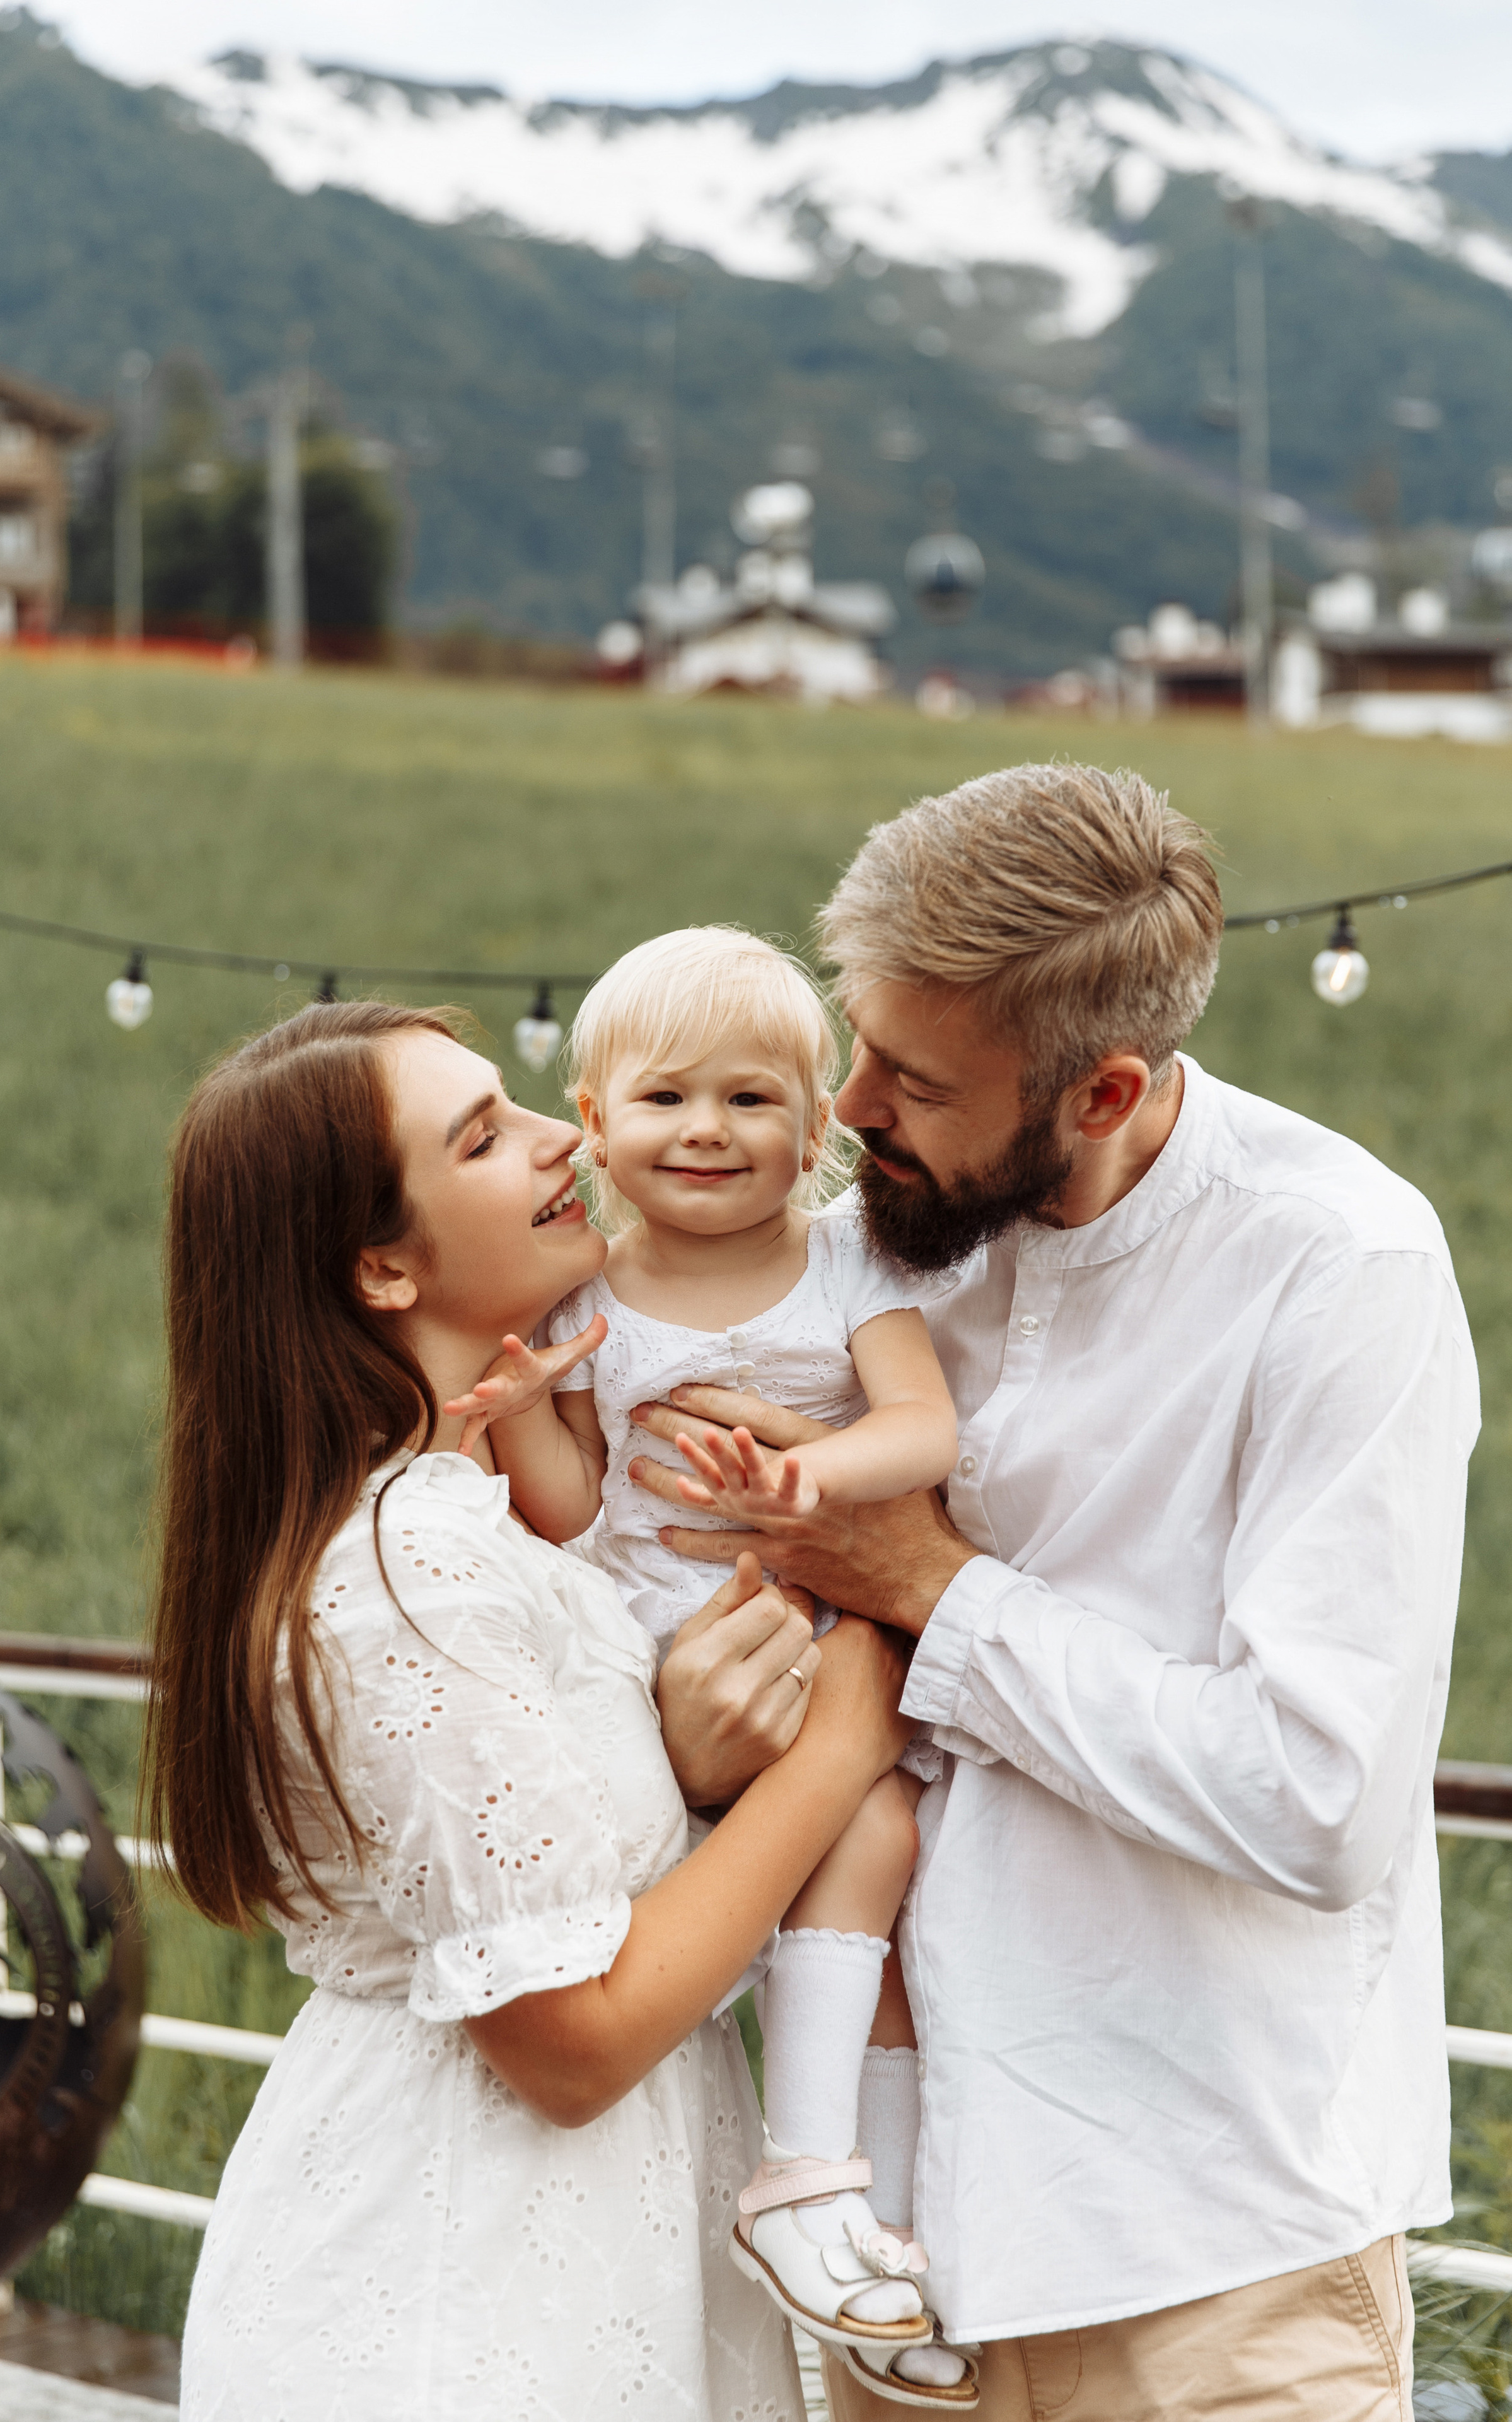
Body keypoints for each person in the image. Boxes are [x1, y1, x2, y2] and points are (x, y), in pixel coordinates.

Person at [633, 764, 1480, 2420]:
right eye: (857, 1042)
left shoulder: (1340, 1270)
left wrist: (934, 1590)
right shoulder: (850, 1257)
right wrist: (696, 1720)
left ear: (1101, 1095)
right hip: (891, 2255)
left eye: (914, 1080)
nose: (847, 1106)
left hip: (1213, 2261)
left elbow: (1317, 1799)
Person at [145, 999, 915, 2421]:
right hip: (461, 2291)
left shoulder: (477, 1521)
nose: (564, 1135)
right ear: (383, 1265)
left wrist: (687, 1768)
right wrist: (842, 1743)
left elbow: (572, 1887)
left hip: (571, 2258)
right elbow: (572, 2044)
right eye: (483, 1136)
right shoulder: (408, 1572)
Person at [444, 928, 974, 2404]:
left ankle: (856, 2215)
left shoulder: (844, 1263)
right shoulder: (585, 1295)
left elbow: (919, 1427)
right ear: (594, 1121)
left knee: (880, 1868)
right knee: (799, 1883)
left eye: (750, 1100)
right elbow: (568, 1503)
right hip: (655, 1667)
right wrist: (516, 1406)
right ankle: (807, 2187)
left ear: (812, 1134)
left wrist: (812, 1483)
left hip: (817, 1634)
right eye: (666, 1098)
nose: (707, 1129)